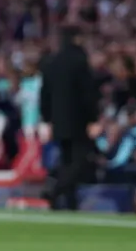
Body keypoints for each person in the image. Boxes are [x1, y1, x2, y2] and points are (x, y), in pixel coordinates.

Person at [39, 25, 99, 210]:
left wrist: (47, 118)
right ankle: (56, 190)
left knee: (66, 160)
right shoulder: (80, 61)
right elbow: (88, 93)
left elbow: (45, 94)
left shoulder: (52, 62)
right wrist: (93, 118)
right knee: (79, 162)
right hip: (78, 120)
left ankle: (68, 204)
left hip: (58, 121)